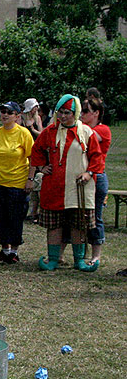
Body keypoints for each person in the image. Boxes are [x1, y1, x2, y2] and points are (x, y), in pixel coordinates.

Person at [30, 94, 104, 272]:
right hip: (54, 187)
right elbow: (36, 150)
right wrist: (41, 167)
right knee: (54, 225)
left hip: (78, 188)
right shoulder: (50, 131)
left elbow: (96, 156)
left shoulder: (86, 132)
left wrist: (89, 172)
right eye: (60, 112)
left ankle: (79, 260)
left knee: (79, 225)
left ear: (75, 113)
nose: (63, 116)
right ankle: (53, 259)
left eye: (67, 113)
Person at [0, 101, 33, 264]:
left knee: (15, 218)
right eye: (3, 111)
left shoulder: (23, 134)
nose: (5, 115)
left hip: (17, 183)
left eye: (9, 112)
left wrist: (30, 180)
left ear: (17, 116)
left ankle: (14, 252)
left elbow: (33, 158)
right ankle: (4, 250)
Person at [81, 98, 111, 268]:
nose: (82, 114)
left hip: (97, 176)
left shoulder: (103, 129)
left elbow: (88, 138)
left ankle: (96, 255)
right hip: (81, 175)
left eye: (85, 111)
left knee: (95, 217)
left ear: (96, 113)